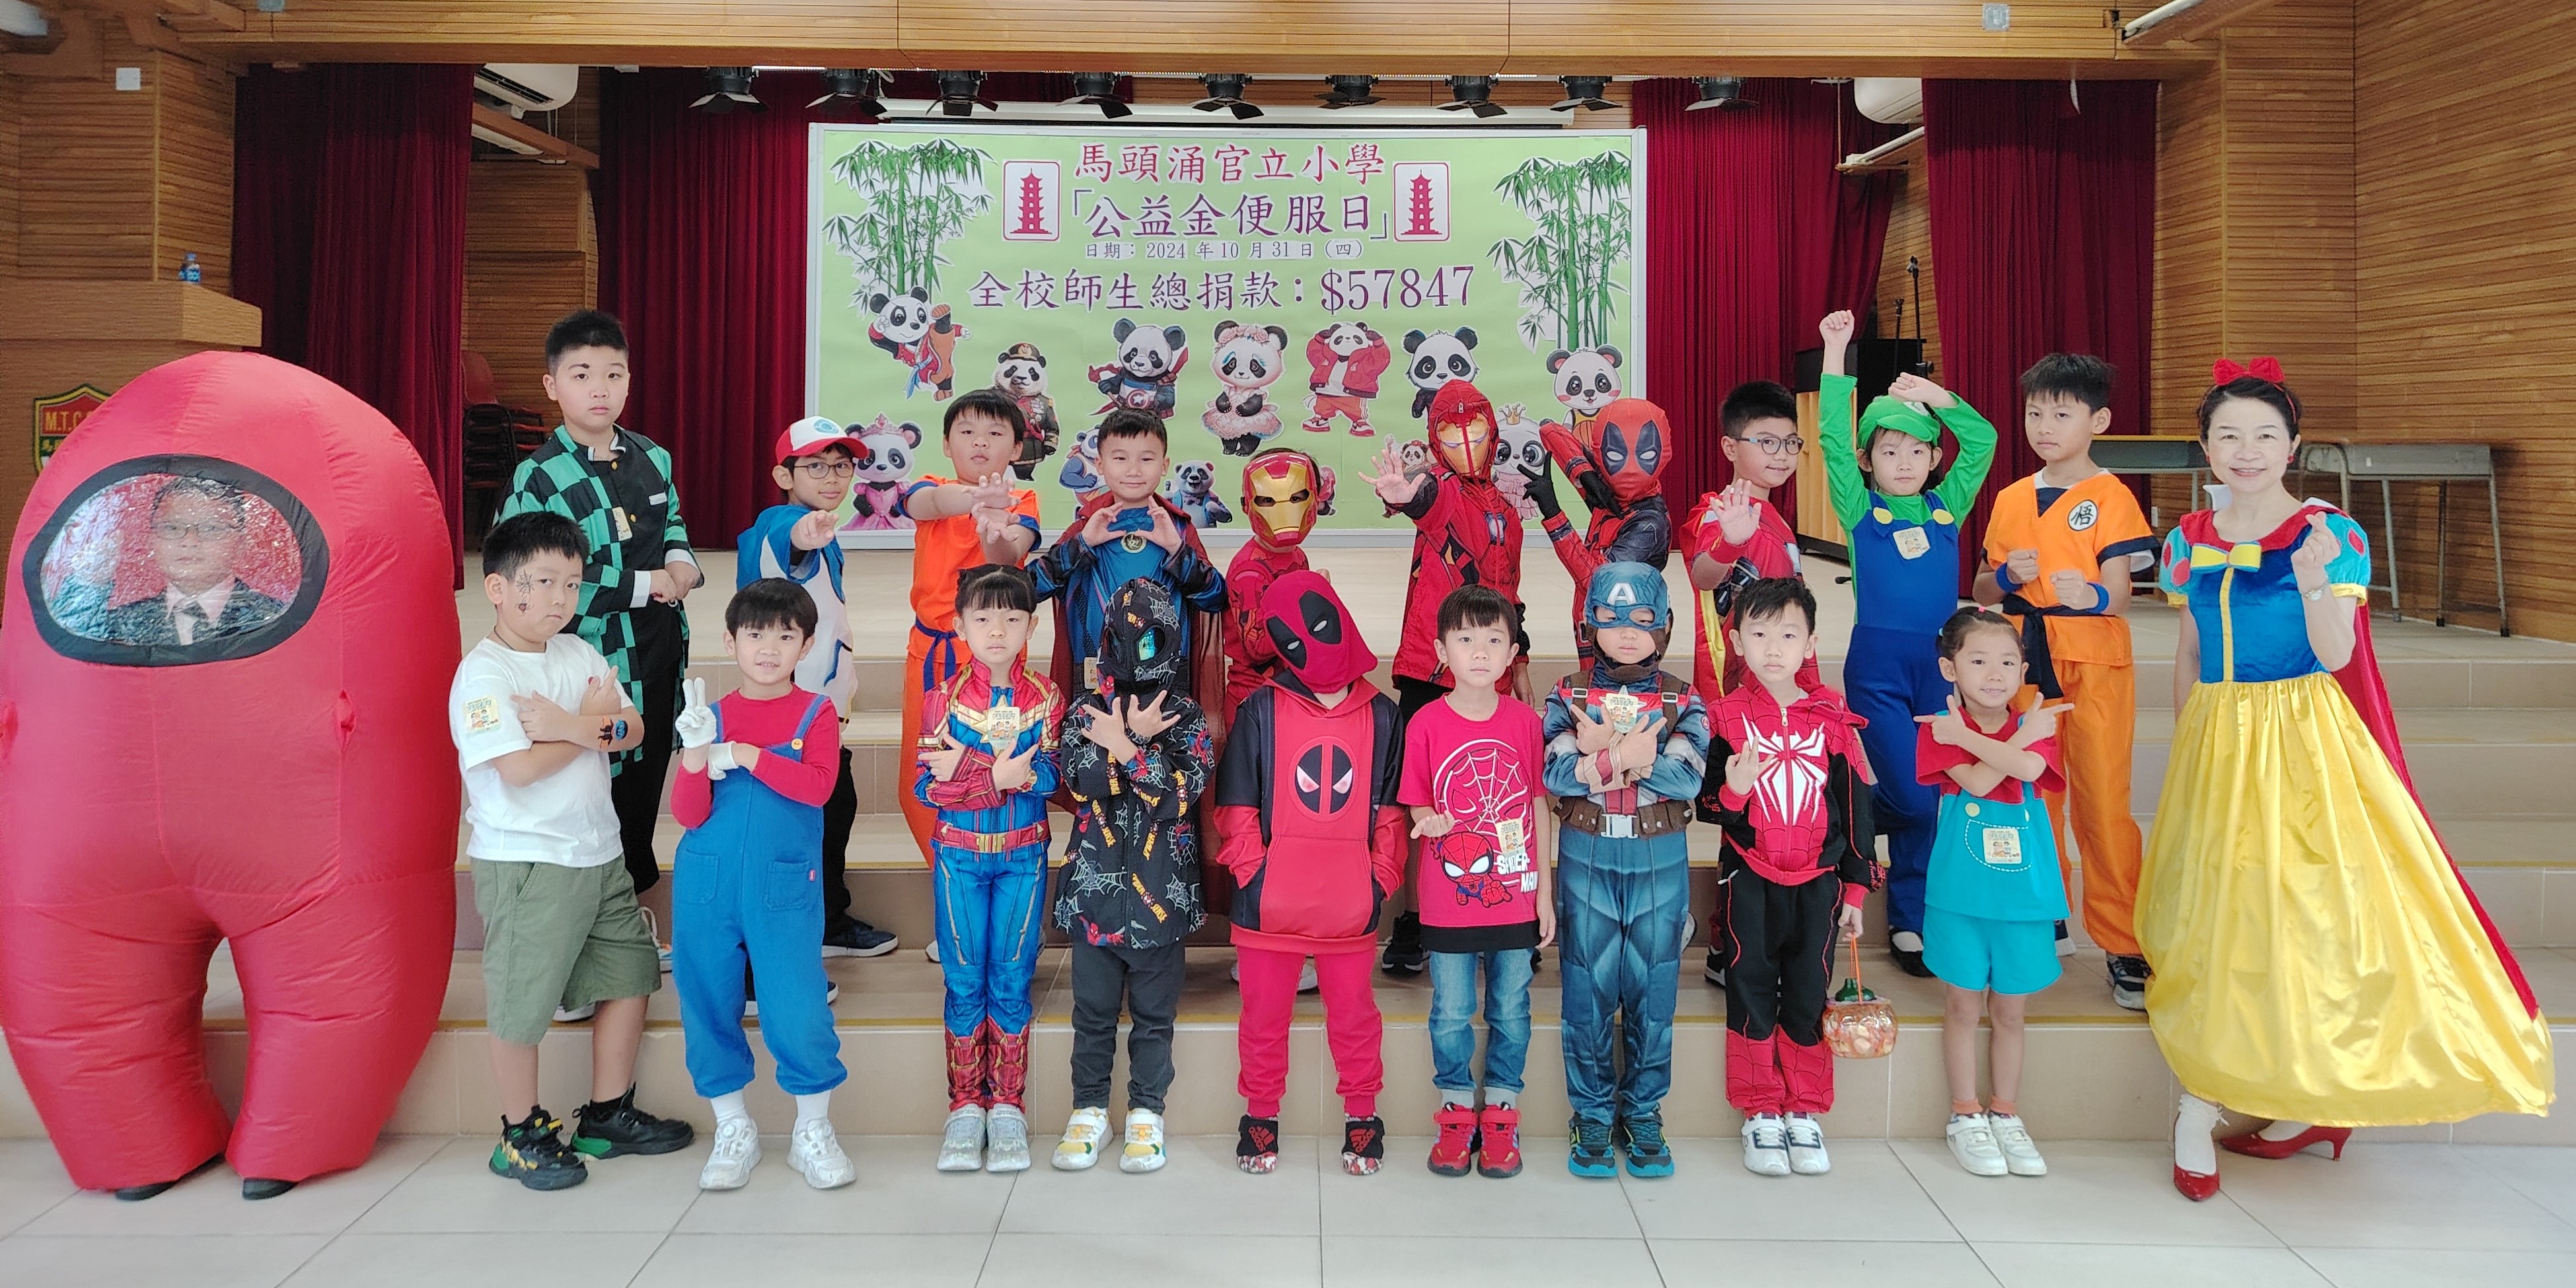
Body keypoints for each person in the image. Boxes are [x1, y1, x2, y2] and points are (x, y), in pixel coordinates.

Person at [2147, 359, 2552, 1201]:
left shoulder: (2330, 533)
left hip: (2301, 742)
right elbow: (2187, 650)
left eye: (2264, 435)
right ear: (2204, 447)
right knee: (2215, 916)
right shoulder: (2185, 538)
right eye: (2228, 435)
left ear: (2292, 446)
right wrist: (2187, 738)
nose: (2246, 450)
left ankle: (2291, 1102)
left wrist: (2309, 575)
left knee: (2302, 916)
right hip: (2217, 738)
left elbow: (2336, 653)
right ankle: (2203, 1100)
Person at [449, 512, 693, 1191]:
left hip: (598, 850)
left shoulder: (579, 653)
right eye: (542, 582)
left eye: (571, 583)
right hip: (530, 861)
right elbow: (519, 769)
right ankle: (519, 1134)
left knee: (630, 975)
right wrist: (588, 726)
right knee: (523, 1001)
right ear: (499, 589)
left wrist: (569, 726)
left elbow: (633, 728)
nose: (559, 598)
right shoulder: (484, 676)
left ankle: (607, 1115)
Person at [497, 310, 702, 915]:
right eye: (582, 374)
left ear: (629, 381)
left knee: (644, 782)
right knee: (591, 784)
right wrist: (646, 584)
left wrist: (682, 563)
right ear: (552, 385)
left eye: (614, 375)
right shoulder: (538, 477)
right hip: (588, 659)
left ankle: (628, 908)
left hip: (658, 648)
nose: (600, 389)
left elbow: (673, 523)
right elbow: (537, 581)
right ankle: (584, 915)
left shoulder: (653, 457)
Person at [1813, 309, 1997, 978]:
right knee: (1915, 796)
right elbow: (1831, 438)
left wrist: (1939, 400)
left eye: (1917, 451)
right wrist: (1836, 351)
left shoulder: (1947, 508)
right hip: (1879, 667)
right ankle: (1854, 826)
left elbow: (1982, 440)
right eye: (1888, 452)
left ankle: (1911, 919)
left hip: (1938, 668)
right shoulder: (1861, 510)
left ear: (1933, 459)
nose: (1904, 462)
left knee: (1936, 793)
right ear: (1868, 461)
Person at [1969, 354, 2156, 1009]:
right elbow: (1982, 589)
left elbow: (2120, 591)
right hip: (2019, 661)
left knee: (2101, 800)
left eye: (2060, 413)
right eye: (2033, 413)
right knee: (2028, 793)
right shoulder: (2010, 498)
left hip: (2092, 661)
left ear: (2097, 421)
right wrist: (2007, 578)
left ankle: (2122, 940)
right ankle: (2041, 913)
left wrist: (2090, 597)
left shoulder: (2110, 495)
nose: (2043, 426)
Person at [1214, 571, 1405, 1177]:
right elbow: (1236, 807)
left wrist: (1377, 880)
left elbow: (1392, 814)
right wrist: (1256, 876)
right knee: (1262, 1019)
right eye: (1291, 642)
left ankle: (1362, 1114)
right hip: (1268, 909)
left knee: (1355, 1019)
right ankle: (1260, 1115)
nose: (1310, 648)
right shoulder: (1260, 710)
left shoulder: (1384, 716)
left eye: (1319, 628)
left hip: (1349, 907)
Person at [667, 579, 854, 1192]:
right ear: (730, 641)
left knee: (797, 1005)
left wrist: (746, 755)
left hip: (783, 888)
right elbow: (689, 813)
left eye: (784, 636)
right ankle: (732, 1127)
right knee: (706, 999)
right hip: (707, 884)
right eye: (754, 635)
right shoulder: (710, 716)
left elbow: (818, 787)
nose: (768, 649)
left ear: (806, 645)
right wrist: (697, 753)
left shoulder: (815, 713)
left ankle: (812, 1130)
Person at [1698, 578, 1872, 1178]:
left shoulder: (1833, 719)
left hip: (1819, 882)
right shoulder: (1722, 718)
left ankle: (1804, 1107)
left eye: (1788, 635)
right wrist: (1734, 791)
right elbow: (1708, 806)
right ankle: (1759, 1109)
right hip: (1748, 878)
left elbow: (1856, 809)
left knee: (1806, 990)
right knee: (1749, 986)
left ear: (1811, 643)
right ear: (1737, 643)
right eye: (1759, 634)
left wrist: (1855, 888)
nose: (1773, 648)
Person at [1545, 562, 1709, 1180]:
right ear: (1590, 624)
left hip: (1657, 856)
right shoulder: (1566, 694)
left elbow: (1686, 778)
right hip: (1586, 854)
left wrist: (1604, 756)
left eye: (1642, 620)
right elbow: (1554, 775)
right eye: (1611, 620)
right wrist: (1629, 757)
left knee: (1653, 988)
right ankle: (1590, 1113)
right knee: (1585, 989)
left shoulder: (1684, 698)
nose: (1627, 632)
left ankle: (1642, 1111)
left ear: (1664, 625)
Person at [1360, 378, 1528, 975]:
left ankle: (1499, 914)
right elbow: (1427, 503)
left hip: (1491, 675)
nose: (1465, 445)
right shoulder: (1445, 492)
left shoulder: (1507, 510)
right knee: (1421, 801)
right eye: (1450, 436)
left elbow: (1510, 595)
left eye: (1475, 432)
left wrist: (1518, 664)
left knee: (1492, 799)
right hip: (1430, 674)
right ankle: (1414, 921)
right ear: (1435, 443)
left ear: (1493, 434)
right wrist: (1407, 496)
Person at [1050, 579, 1214, 1176]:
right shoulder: (1084, 711)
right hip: (1093, 900)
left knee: (1153, 1020)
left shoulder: (1186, 717)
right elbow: (1080, 781)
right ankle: (1088, 1110)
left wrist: (1127, 744)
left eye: (1151, 641)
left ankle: (1147, 1112)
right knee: (1091, 1016)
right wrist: (1131, 745)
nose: (1138, 651)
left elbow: (1175, 796)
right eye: (1125, 639)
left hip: (1161, 903)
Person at [915, 564, 1062, 1174]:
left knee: (1011, 978)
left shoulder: (1046, 698)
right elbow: (929, 788)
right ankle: (962, 1107)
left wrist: (979, 771)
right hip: (958, 858)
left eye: (1011, 618)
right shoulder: (942, 700)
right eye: (982, 618)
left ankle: (1006, 1106)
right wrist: (997, 776)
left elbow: (1053, 778)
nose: (996, 631)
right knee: (962, 980)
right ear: (960, 625)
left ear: (1032, 625)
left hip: (1024, 857)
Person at [1401, 585, 1551, 1179]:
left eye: (1493, 640)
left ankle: (1503, 1109)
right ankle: (1456, 1108)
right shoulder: (1425, 723)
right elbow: (1416, 801)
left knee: (1512, 1007)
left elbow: (1536, 806)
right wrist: (1428, 820)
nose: (1480, 652)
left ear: (1512, 652)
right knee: (1452, 1009)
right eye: (1465, 639)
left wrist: (1543, 893)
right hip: (1448, 901)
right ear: (1442, 650)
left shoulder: (1525, 722)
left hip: (1515, 895)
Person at [738, 416, 899, 961]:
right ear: (784, 476)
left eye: (842, 466)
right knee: (797, 828)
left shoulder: (825, 533)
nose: (833, 478)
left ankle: (826, 921)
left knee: (834, 813)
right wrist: (804, 534)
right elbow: (790, 538)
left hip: (819, 714)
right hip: (789, 720)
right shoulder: (781, 522)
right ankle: (777, 951)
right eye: (816, 467)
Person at [1916, 608, 2069, 1180]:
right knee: (1961, 1006)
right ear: (1949, 669)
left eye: (2008, 662)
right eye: (1978, 660)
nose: (1994, 673)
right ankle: (1965, 1114)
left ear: (2024, 671)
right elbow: (1980, 782)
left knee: (2010, 1012)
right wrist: (1994, 736)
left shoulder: (2033, 725)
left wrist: (1990, 737)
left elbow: (2028, 768)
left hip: (2024, 899)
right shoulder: (1938, 727)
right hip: (1959, 895)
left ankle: (2005, 1112)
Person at [1683, 380, 1816, 991]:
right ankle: (1725, 943)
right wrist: (1730, 538)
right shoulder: (1715, 510)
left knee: (1782, 819)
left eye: (1790, 442)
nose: (1781, 454)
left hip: (1787, 699)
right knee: (1743, 827)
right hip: (1740, 704)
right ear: (1729, 447)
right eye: (1766, 441)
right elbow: (1702, 573)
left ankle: (1764, 942)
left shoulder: (1780, 518)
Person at [893, 390, 1043, 927]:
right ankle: (953, 900)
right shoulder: (932, 487)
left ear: (1017, 448)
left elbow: (1009, 554)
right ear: (946, 443)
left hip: (995, 664)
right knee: (923, 776)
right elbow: (925, 505)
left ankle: (997, 907)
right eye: (967, 432)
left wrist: (994, 527)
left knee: (994, 772)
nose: (980, 442)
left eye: (995, 433)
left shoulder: (1023, 499)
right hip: (931, 655)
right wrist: (977, 500)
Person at [1031, 408, 1227, 713]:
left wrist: (1177, 550)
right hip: (1095, 681)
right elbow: (1030, 590)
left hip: (1167, 682)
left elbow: (1216, 599)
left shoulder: (1178, 529)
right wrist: (1082, 545)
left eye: (1146, 459)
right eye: (1120, 458)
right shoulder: (1085, 528)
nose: (1133, 470)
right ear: (1100, 464)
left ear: (1164, 466)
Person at [1529, 396, 1675, 666]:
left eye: (1645, 456)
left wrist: (1553, 514)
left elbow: (1597, 579)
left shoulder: (1649, 523)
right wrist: (1584, 472)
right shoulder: (1609, 493)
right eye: (1615, 456)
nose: (1629, 470)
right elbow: (1550, 430)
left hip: (1623, 639)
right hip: (1593, 626)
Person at [97, 478, 285, 645]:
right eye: (172, 528)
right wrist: (92, 583)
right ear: (151, 540)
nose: (189, 541)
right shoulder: (121, 625)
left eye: (211, 528)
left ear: (241, 543)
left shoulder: (277, 620)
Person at [1221, 446, 1332, 719]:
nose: (1284, 509)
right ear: (1247, 504)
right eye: (1267, 500)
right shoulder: (1250, 571)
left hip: (1288, 694)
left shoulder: (1297, 556)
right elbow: (1257, 648)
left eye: (1297, 497)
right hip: (1255, 703)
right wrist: (1311, 601)